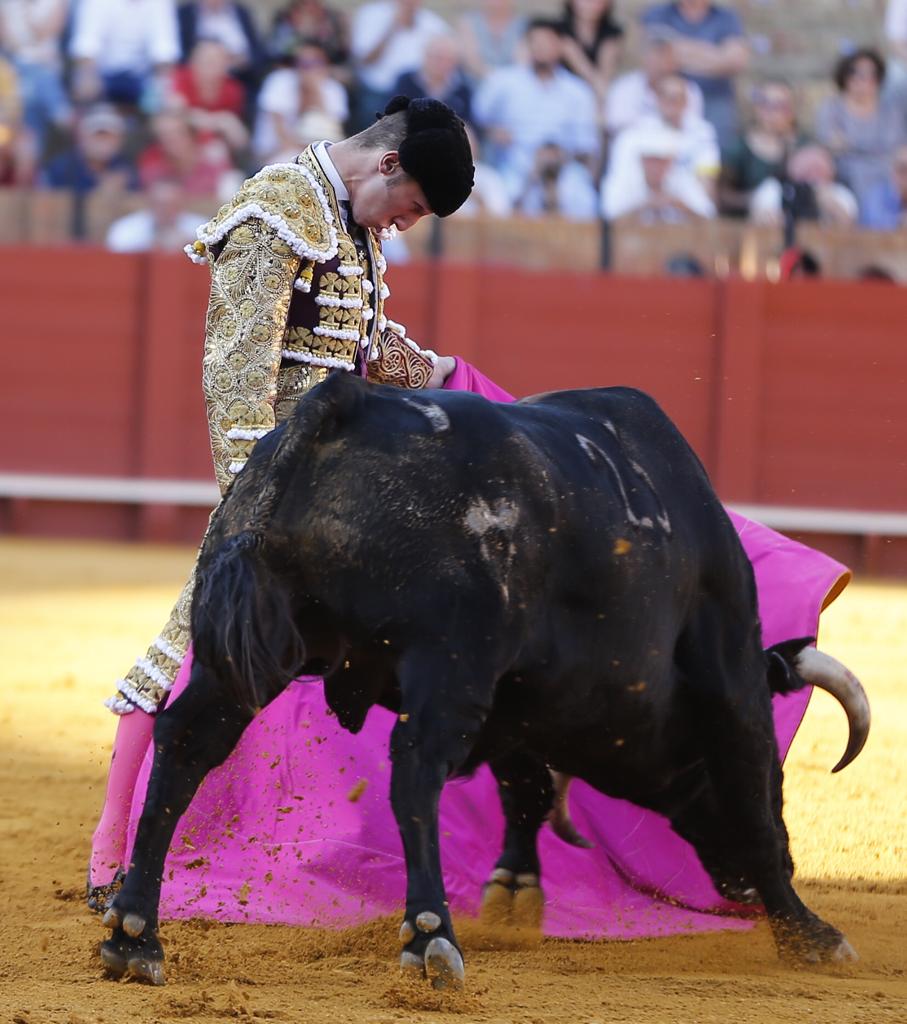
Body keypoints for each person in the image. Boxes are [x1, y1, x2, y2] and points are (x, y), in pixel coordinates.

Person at [87, 94, 476, 907]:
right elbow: (236, 376)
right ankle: (111, 862)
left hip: (344, 484)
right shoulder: (274, 212)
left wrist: (447, 379)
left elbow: (359, 345)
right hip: (278, 486)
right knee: (190, 645)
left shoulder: (355, 222)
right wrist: (251, 508)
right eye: (407, 208)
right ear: (387, 162)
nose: (402, 225)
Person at [472, 18, 600, 203]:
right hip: (514, 166)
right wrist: (492, 132)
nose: (541, 48)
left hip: (563, 169)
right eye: (535, 41)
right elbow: (477, 120)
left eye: (547, 42)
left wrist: (557, 157)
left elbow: (586, 147)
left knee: (581, 198)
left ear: (561, 46)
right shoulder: (502, 82)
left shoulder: (578, 92)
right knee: (500, 195)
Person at [640, 0, 750, 147]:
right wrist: (716, 56)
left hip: (714, 99)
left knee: (716, 150)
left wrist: (678, 52)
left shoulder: (727, 17)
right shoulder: (658, 13)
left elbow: (735, 62)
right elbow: (656, 60)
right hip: (671, 97)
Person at [815, 48, 906, 214]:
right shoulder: (832, 108)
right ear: (844, 76)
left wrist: (850, 144)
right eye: (855, 72)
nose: (862, 79)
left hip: (887, 177)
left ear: (878, 79)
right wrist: (873, 148)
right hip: (844, 176)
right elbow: (832, 144)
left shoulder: (891, 110)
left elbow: (897, 149)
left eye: (870, 74)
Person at [349, 0, 450, 131]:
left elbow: (450, 53)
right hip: (378, 92)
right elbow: (363, 60)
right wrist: (392, 28)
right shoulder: (371, 14)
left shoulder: (432, 23)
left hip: (416, 92)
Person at [253, 37, 349, 164]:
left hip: (316, 156)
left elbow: (333, 135)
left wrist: (316, 93)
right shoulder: (278, 81)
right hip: (274, 153)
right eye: (302, 63)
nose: (307, 69)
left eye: (315, 63)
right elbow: (281, 134)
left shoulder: (334, 89)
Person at [67, 0, 180, 108]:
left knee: (166, 101)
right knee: (85, 87)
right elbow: (86, 45)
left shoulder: (161, 3)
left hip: (143, 76)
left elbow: (164, 49)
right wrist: (88, 77)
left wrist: (163, 88)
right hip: (102, 73)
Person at [719, 78, 805, 218]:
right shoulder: (739, 147)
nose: (772, 113)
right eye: (766, 105)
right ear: (757, 108)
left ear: (791, 111)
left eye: (781, 106)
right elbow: (722, 196)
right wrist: (753, 199)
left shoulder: (802, 145)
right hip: (751, 221)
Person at [601, 120, 716, 223]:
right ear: (642, 160)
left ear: (670, 162)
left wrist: (677, 204)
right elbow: (608, 219)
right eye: (652, 160)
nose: (656, 167)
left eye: (662, 161)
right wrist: (646, 206)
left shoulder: (681, 179)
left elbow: (709, 217)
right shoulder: (624, 181)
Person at [605, 26, 705, 138]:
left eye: (666, 54)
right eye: (656, 53)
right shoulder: (623, 88)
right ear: (644, 58)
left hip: (676, 150)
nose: (660, 61)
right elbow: (617, 127)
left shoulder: (689, 90)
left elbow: (692, 129)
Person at [749, 143, 858, 229]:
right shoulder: (774, 188)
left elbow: (850, 227)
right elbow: (757, 217)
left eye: (818, 168)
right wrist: (769, 219)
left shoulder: (839, 193)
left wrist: (829, 204)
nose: (812, 175)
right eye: (807, 169)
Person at [39, 103, 138, 193]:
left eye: (108, 136)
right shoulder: (61, 169)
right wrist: (100, 191)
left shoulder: (126, 171)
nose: (102, 142)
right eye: (97, 135)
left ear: (119, 140)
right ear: (82, 137)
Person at [105, 176, 208, 252]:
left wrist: (189, 247)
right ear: (150, 203)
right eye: (160, 205)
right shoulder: (125, 228)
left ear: (182, 204)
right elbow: (116, 252)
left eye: (172, 205)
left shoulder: (202, 228)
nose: (165, 210)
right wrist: (153, 246)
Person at [393, 32, 473, 125]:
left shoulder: (462, 90)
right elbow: (394, 118)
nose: (444, 64)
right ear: (426, 56)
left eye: (450, 59)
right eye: (439, 58)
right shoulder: (406, 81)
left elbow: (468, 125)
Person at [558, 0, 624, 106]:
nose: (590, 4)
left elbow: (604, 78)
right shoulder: (558, 30)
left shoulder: (611, 33)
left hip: (596, 96)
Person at [456, 0, 526, 83]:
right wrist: (494, 79)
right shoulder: (468, 22)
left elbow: (521, 63)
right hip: (476, 85)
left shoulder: (523, 25)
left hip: (512, 86)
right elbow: (471, 61)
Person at [859, 142, 907, 229]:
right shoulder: (876, 195)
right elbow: (872, 222)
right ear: (893, 171)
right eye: (903, 169)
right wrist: (899, 222)